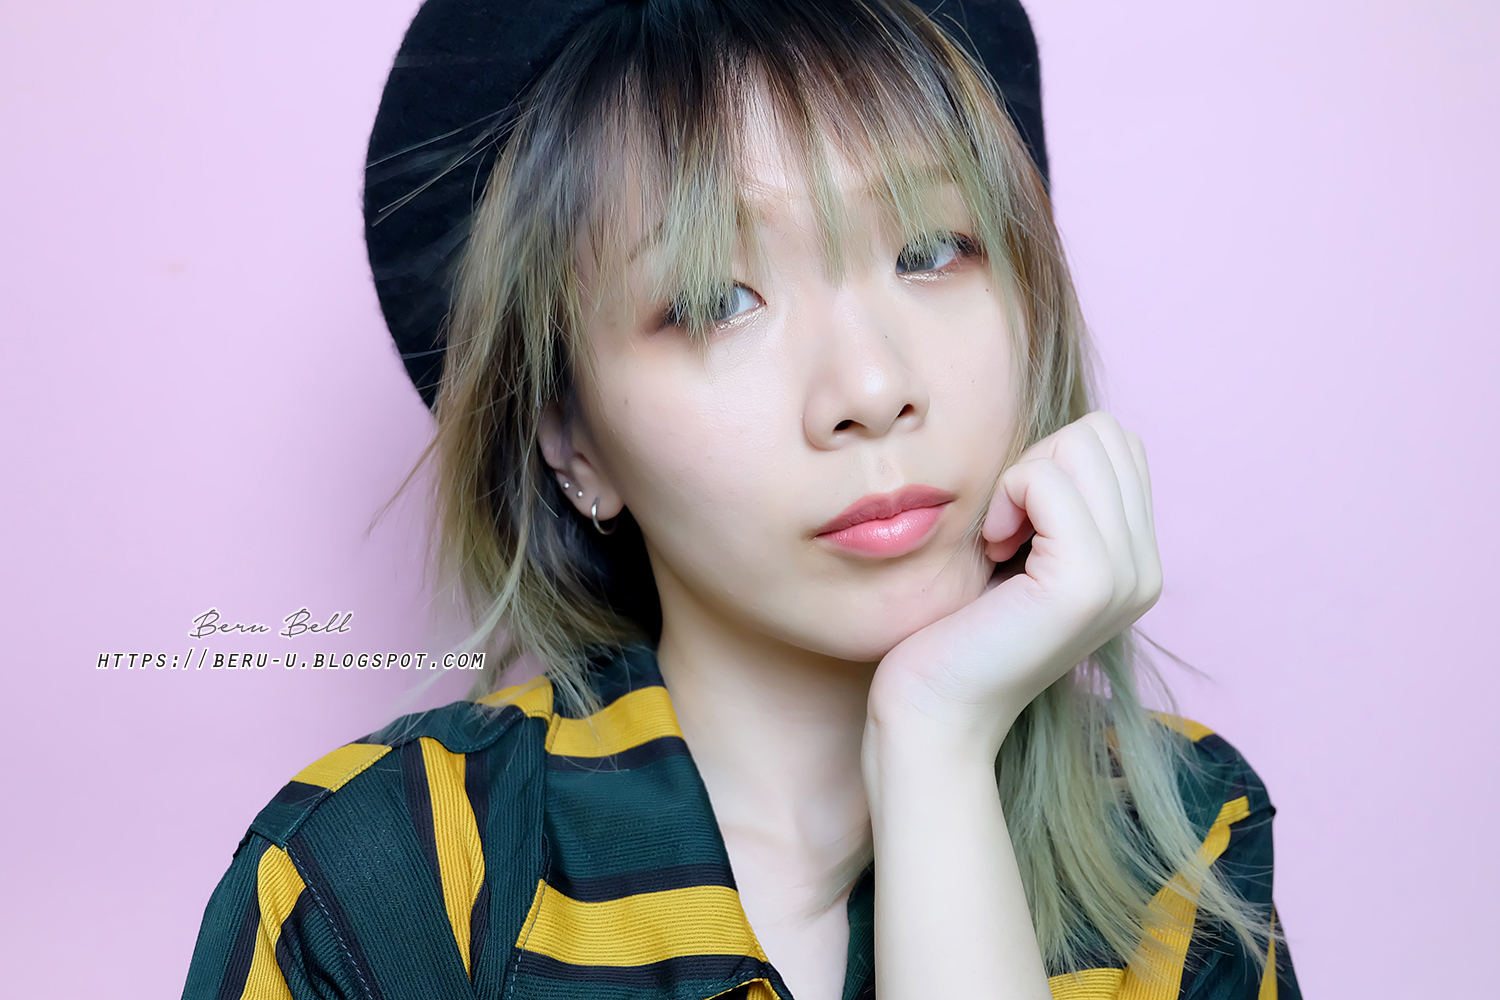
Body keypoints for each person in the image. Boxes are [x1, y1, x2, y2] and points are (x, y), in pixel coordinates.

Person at [183, 2, 1300, 998]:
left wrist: (936, 744)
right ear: (574, 441)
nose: (870, 389)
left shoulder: (1179, 849)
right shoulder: (379, 885)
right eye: (718, 300)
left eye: (931, 250)